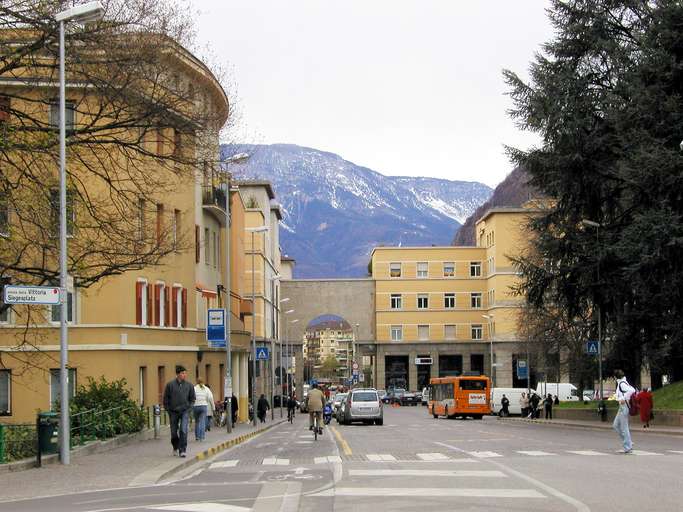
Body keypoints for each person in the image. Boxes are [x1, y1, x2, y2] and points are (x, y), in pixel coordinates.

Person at [162, 365, 195, 457]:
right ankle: (175, 446)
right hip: (173, 411)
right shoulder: (170, 385)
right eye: (183, 373)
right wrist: (168, 409)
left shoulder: (189, 385)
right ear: (178, 374)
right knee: (173, 432)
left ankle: (182, 450)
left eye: (185, 373)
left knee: (183, 430)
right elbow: (166, 399)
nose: (185, 375)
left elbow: (192, 399)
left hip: (185, 411)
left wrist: (189, 408)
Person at [613, 369, 635, 453]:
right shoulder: (622, 382)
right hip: (622, 407)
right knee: (615, 425)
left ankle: (628, 447)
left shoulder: (622, 383)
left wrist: (623, 398)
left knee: (624, 427)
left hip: (624, 406)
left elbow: (632, 390)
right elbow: (630, 389)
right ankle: (628, 442)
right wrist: (617, 396)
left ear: (615, 377)